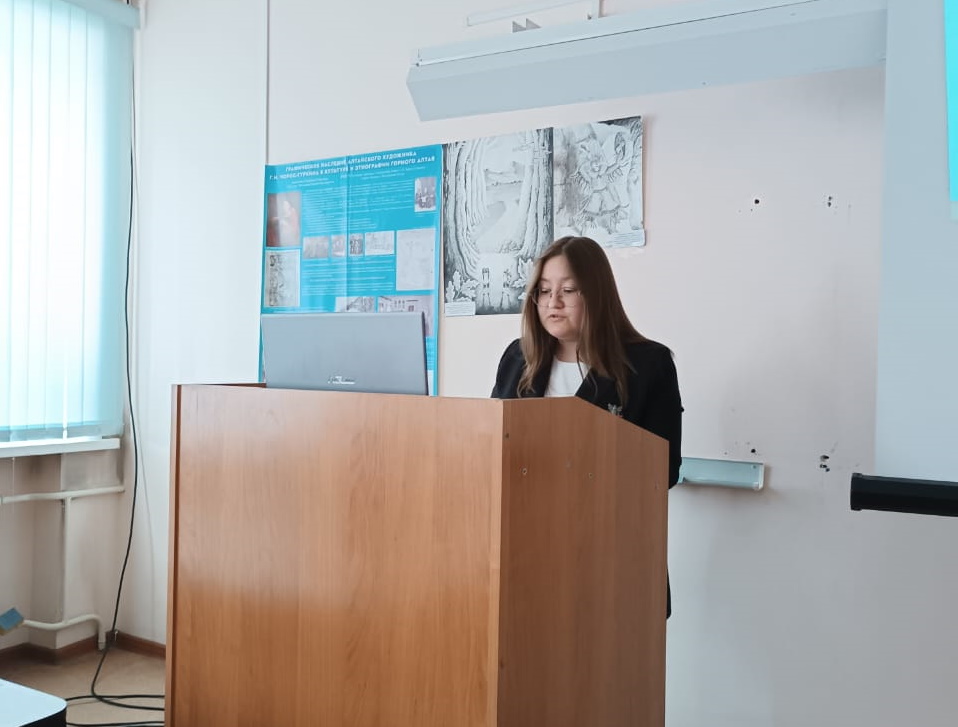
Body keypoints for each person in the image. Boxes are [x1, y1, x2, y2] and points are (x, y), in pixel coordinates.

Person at [491, 235, 683, 616]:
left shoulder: (648, 365)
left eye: (568, 290)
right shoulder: (518, 358)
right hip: (530, 552)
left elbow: (665, 470)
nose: (553, 302)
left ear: (596, 294)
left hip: (612, 558)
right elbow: (494, 444)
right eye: (544, 291)